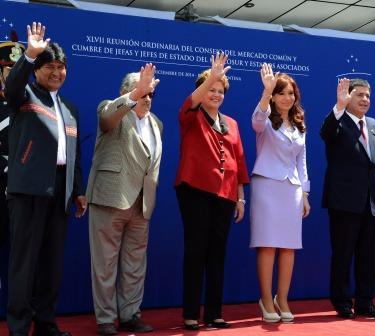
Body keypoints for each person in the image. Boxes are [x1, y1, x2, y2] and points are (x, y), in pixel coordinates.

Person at [4, 22, 87, 336]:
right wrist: (29, 55)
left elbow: (74, 155)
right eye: (50, 66)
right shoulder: (24, 95)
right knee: (24, 264)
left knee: (51, 265)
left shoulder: (70, 109)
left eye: (61, 67)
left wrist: (77, 191)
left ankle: (46, 324)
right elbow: (11, 86)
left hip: (60, 193)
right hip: (28, 191)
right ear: (37, 70)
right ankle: (19, 327)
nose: (57, 72)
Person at [175, 52, 249, 330]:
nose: (216, 94)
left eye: (220, 91)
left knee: (218, 253)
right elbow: (190, 101)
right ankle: (191, 313)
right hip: (194, 188)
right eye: (211, 89)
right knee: (196, 250)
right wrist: (212, 75)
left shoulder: (232, 123)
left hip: (227, 194)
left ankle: (214, 313)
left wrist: (241, 197)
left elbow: (239, 161)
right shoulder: (191, 115)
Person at [86, 64, 162, 335]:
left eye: (150, 93)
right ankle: (106, 320)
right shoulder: (110, 109)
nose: (147, 97)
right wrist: (133, 97)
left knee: (134, 264)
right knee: (104, 263)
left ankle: (130, 314)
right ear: (124, 93)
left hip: (141, 205)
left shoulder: (157, 124)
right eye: (142, 92)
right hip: (110, 198)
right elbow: (108, 117)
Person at [320, 78, 375, 319]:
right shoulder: (338, 122)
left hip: (371, 202)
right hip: (343, 202)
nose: (365, 100)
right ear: (348, 97)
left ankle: (365, 302)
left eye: (368, 96)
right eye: (359, 95)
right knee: (343, 254)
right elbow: (326, 133)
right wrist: (338, 107)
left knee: (368, 256)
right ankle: (341, 302)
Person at [250, 64, 310, 323]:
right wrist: (265, 92)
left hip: (292, 190)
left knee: (289, 247)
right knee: (268, 245)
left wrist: (305, 193)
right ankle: (265, 299)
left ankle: (281, 298)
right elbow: (256, 121)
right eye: (282, 93)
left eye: (291, 93)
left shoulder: (299, 124)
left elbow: (302, 162)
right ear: (274, 97)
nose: (288, 98)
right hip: (267, 187)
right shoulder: (265, 120)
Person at [0, 36, 24, 246]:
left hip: (23, 192)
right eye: (10, 69)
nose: (16, 75)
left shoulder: (36, 104)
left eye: (20, 69)